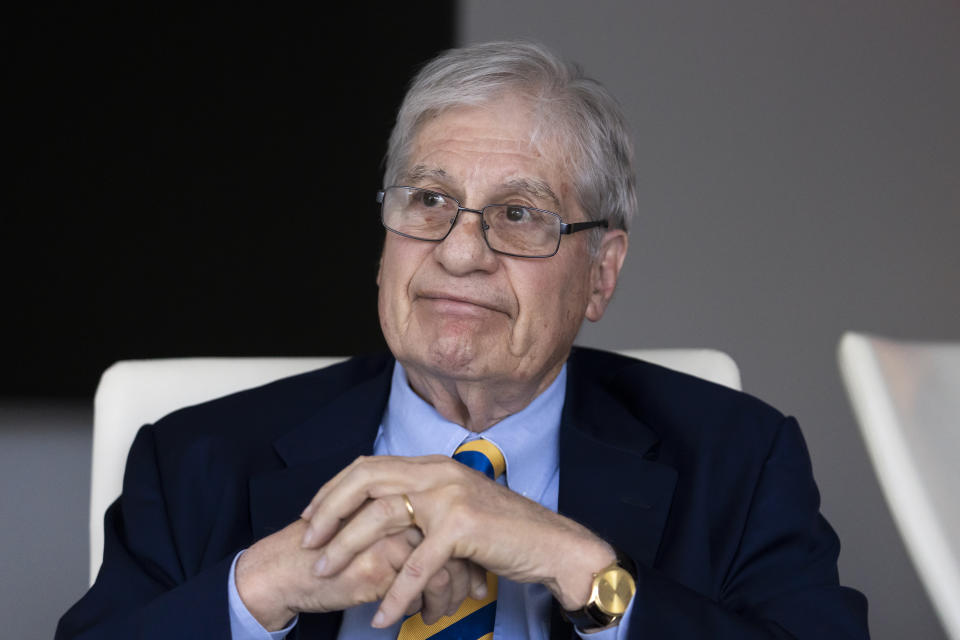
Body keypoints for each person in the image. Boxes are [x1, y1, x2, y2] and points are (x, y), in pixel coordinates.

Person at [57, 41, 869, 639]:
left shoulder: (739, 458)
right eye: (429, 201)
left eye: (518, 215)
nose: (459, 250)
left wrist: (585, 570)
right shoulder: (194, 458)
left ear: (601, 273)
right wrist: (260, 588)